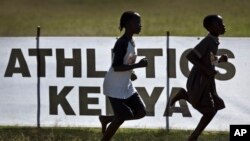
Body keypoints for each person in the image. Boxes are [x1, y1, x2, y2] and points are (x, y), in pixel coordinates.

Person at [169, 14, 228, 141]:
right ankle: (193, 136)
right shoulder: (208, 40)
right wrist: (207, 70)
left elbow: (207, 59)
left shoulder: (214, 40)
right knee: (210, 111)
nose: (223, 26)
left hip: (207, 80)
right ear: (210, 28)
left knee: (215, 106)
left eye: (223, 23)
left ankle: (193, 135)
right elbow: (191, 56)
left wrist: (218, 60)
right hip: (199, 79)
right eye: (219, 24)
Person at [99, 11, 148, 141]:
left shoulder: (132, 41)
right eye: (137, 22)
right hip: (114, 86)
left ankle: (106, 119)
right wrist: (137, 66)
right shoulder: (122, 43)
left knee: (141, 112)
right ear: (127, 24)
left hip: (126, 85)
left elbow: (127, 62)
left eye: (140, 22)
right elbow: (116, 66)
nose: (140, 25)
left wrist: (132, 73)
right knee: (122, 116)